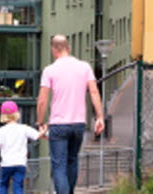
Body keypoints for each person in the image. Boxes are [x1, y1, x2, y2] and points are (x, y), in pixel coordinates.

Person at [36, 34, 104, 194]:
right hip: (79, 124)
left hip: (59, 124)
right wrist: (100, 117)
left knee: (59, 165)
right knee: (72, 161)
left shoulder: (50, 70)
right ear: (69, 48)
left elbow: (42, 100)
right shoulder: (85, 67)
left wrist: (41, 122)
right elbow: (94, 92)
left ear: (54, 50)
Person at [0, 100, 46, 194]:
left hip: (6, 164)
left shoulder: (1, 131)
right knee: (18, 186)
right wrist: (44, 130)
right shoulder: (23, 128)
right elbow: (37, 136)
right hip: (20, 163)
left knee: (3, 185)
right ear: (17, 114)